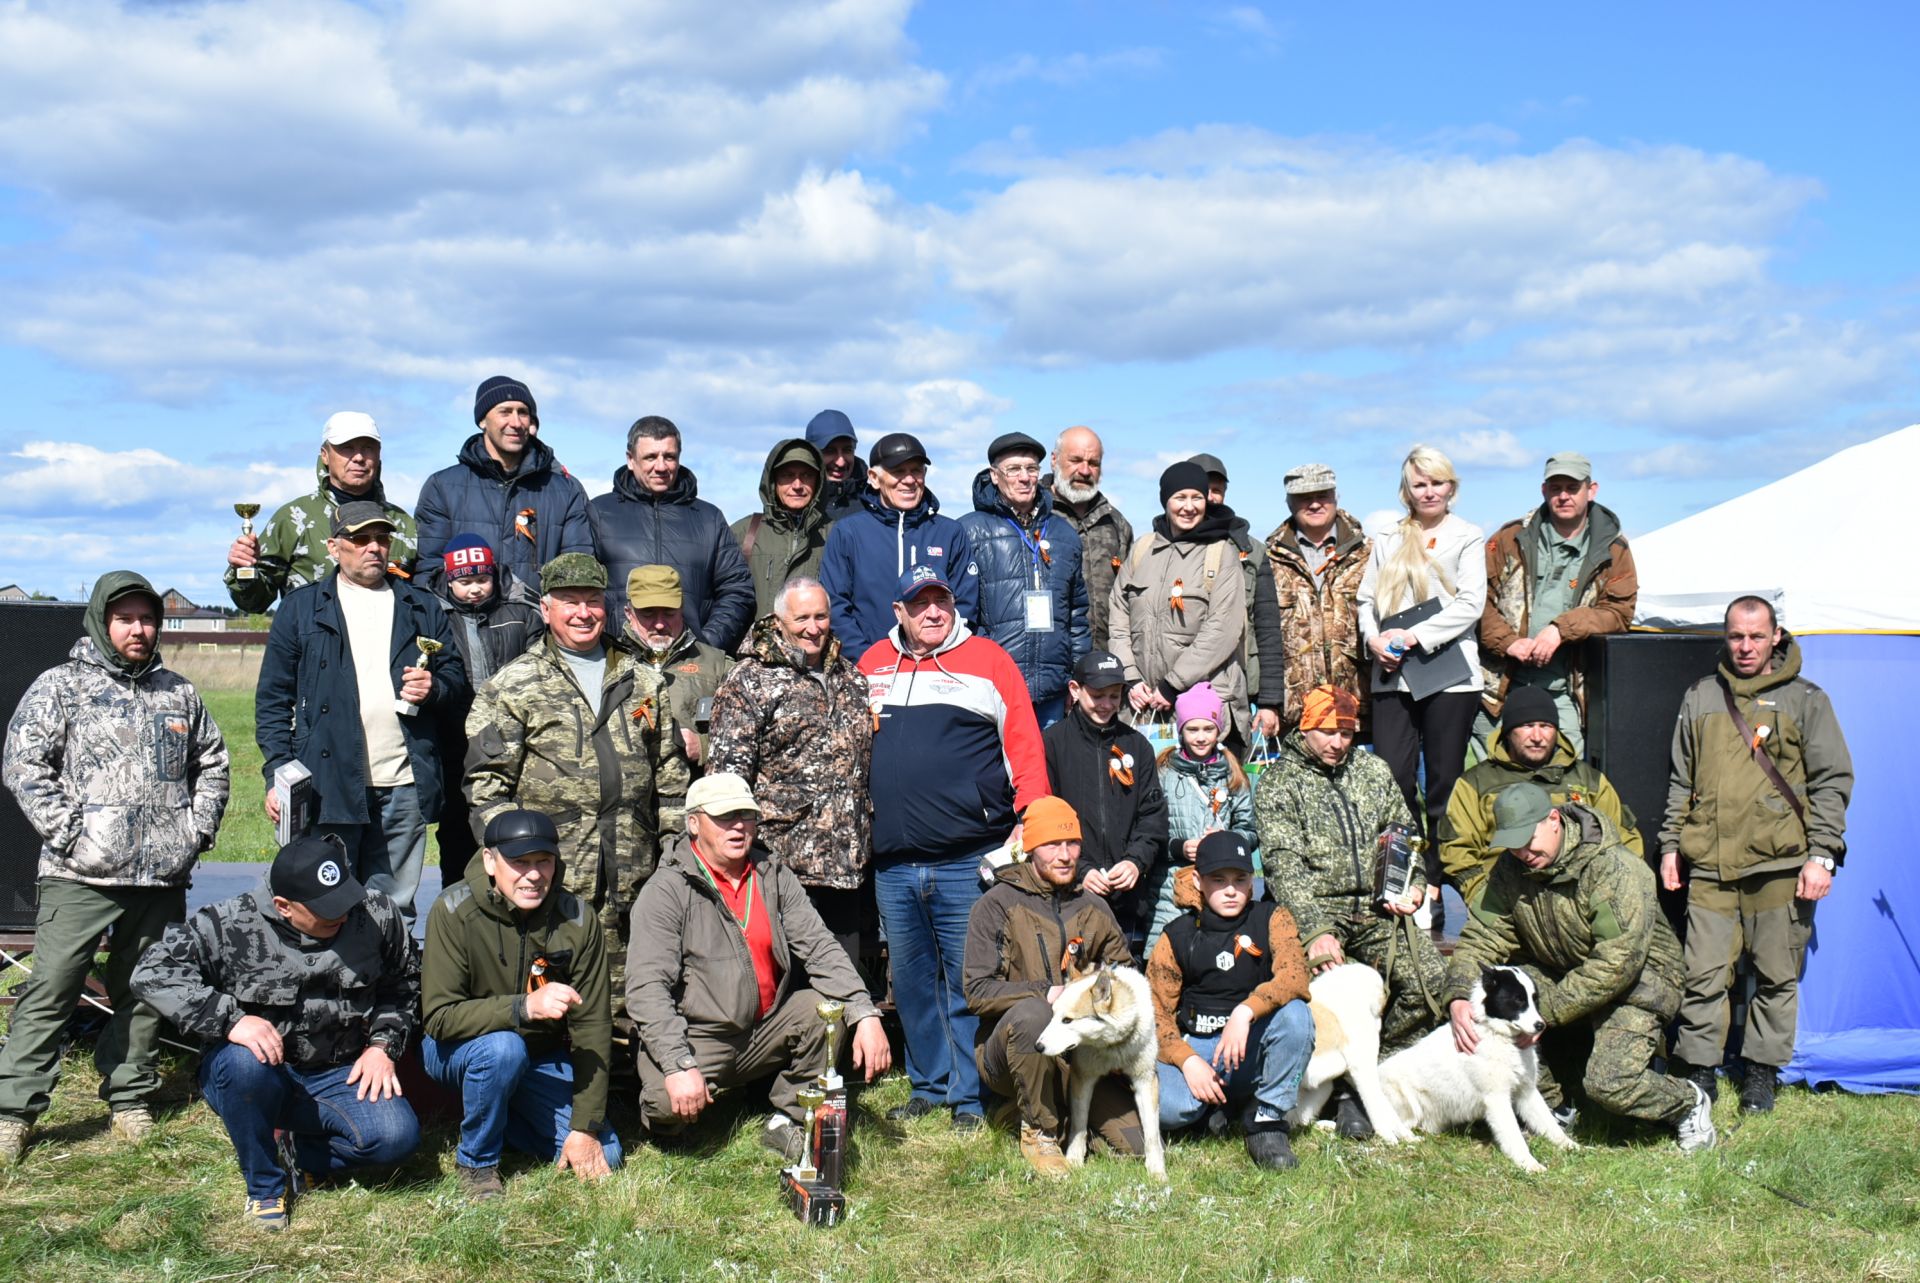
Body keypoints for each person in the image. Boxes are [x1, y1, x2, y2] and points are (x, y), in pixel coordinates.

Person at [0, 573, 229, 1166]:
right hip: (80, 876)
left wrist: (193, 832)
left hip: (159, 879)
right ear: (103, 622)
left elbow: (214, 764)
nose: (139, 629)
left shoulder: (178, 693)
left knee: (145, 990)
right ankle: (14, 1112)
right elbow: (24, 765)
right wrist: (73, 833)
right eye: (125, 619)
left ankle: (129, 1096)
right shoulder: (60, 687)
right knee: (51, 989)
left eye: (148, 619)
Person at [131, 835, 422, 1230]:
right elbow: (151, 974)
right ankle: (266, 1187)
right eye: (324, 911)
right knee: (244, 1064)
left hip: (340, 1069)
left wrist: (383, 1046)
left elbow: (405, 984)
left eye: (343, 899)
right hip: (260, 1073)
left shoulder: (375, 914)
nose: (341, 914)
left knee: (395, 1138)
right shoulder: (228, 923)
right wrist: (230, 1019)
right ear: (284, 907)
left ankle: (301, 1154)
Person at [862, 564, 1048, 1128]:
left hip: (967, 856)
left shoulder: (989, 660)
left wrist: (1030, 817)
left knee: (970, 981)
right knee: (912, 983)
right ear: (900, 612)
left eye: (941, 601)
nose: (933, 613)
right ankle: (930, 1086)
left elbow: (1023, 742)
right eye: (920, 604)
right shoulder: (870, 664)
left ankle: (971, 1096)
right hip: (893, 861)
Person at [625, 773, 890, 1158]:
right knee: (665, 1104)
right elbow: (647, 988)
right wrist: (677, 1063)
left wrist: (864, 1013)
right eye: (724, 817)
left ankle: (789, 1116)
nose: (738, 826)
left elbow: (819, 947)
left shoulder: (772, 874)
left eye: (746, 816)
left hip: (764, 1028)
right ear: (694, 823)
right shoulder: (666, 890)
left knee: (822, 1013)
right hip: (699, 1037)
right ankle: (672, 1124)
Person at [1660, 597, 1853, 1114]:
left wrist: (1822, 856)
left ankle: (1761, 1075)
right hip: (1710, 866)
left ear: (1776, 637)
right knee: (1703, 977)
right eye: (1735, 636)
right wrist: (1670, 846)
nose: (1745, 647)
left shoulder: (1806, 700)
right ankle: (1701, 1072)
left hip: (1780, 865)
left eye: (1755, 637)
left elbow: (1832, 783)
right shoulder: (1701, 697)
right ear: (1725, 637)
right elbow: (1681, 779)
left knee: (1774, 974)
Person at [1447, 783, 1716, 1153]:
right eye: (1513, 843)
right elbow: (1482, 936)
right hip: (1565, 971)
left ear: (1554, 820)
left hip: (1640, 982)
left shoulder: (1615, 870)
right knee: (1481, 1006)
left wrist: (1545, 1015)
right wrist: (1460, 995)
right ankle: (1553, 1107)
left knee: (1611, 1084)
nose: (1523, 852)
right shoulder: (1511, 870)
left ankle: (1689, 1102)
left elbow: (1616, 963)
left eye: (1529, 839)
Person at [463, 552, 683, 1002]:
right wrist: (517, 865)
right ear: (546, 609)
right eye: (569, 601)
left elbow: (672, 780)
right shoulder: (512, 686)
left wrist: (674, 860)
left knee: (636, 1001)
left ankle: (631, 1074)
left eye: (593, 600)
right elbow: (485, 786)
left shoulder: (645, 683)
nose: (584, 613)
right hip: (552, 883)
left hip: (634, 879)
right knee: (554, 1003)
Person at [256, 501, 465, 922]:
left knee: (394, 909)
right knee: (323, 907)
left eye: (382, 539)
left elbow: (456, 679)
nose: (374, 548)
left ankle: (387, 986)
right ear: (334, 547)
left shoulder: (422, 606)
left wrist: (435, 688)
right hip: (327, 787)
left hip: (405, 783)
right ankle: (332, 988)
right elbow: (272, 700)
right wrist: (277, 772)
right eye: (360, 538)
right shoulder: (300, 608)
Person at [1256, 685, 1447, 1130]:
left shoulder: (1372, 770)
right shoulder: (1280, 782)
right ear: (1305, 728)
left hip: (1379, 910)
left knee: (1431, 983)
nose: (1337, 743)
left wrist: (1413, 886)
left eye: (1345, 732)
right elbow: (1283, 865)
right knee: (1318, 995)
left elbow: (1403, 833)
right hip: (1318, 911)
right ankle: (1323, 1086)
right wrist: (1313, 931)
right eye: (1326, 732)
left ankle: (1366, 1083)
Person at [420, 810, 621, 1201]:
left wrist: (586, 1127)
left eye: (542, 861)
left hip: (538, 1057)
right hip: (455, 1048)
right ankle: (476, 1165)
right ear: (489, 862)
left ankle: (505, 1117)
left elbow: (593, 1025)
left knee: (606, 1155)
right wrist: (523, 1008)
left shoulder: (577, 919)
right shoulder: (453, 911)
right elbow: (440, 1018)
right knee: (502, 1050)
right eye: (519, 863)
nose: (533, 875)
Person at [963, 796, 1144, 1177]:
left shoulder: (1093, 906)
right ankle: (1039, 1129)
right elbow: (977, 990)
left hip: (1082, 1053)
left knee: (1134, 1145)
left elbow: (1127, 977)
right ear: (1030, 848)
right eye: (1052, 845)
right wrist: (1047, 991)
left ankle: (1057, 1112)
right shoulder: (996, 905)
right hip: (1015, 1048)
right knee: (1034, 1014)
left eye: (1072, 843)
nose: (1065, 855)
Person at [707, 577, 874, 976]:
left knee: (840, 994)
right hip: (780, 871)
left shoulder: (851, 679)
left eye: (821, 616)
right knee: (784, 996)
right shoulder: (749, 680)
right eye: (802, 618)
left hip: (845, 872)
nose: (813, 628)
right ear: (779, 620)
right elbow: (727, 781)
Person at [1357, 445, 1486, 918]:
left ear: (1451, 487)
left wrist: (1412, 635)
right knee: (1394, 778)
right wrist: (1373, 639)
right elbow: (1365, 599)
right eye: (1419, 483)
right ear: (1406, 489)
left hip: (1448, 673)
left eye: (1437, 482)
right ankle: (1402, 875)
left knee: (1444, 785)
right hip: (1392, 673)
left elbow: (1471, 603)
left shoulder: (1467, 536)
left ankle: (1436, 880)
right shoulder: (1387, 536)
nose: (1428, 491)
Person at [1147, 831, 1314, 1170]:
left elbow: (1295, 976)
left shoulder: (1272, 918)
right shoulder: (1177, 935)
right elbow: (1155, 1012)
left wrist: (1245, 1011)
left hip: (1250, 1043)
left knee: (1297, 1017)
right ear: (1198, 880)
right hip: (1201, 1046)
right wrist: (1187, 1060)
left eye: (1240, 879)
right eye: (1218, 879)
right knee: (1167, 1108)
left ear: (1251, 882)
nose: (1230, 889)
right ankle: (1220, 1107)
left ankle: (1267, 1119)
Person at [1478, 452, 1639, 754]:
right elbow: (1478, 601)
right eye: (1555, 488)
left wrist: (1561, 629)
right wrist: (1508, 642)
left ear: (1592, 490)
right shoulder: (1510, 537)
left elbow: (1619, 613)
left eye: (1572, 488)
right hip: (1502, 688)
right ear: (1544, 491)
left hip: (1565, 691)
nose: (1563, 496)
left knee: (1567, 778)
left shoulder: (1614, 549)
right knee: (1492, 779)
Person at [1439, 685, 1640, 908]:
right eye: (1527, 726)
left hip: (1579, 903)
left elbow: (1625, 842)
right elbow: (1457, 849)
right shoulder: (1476, 783)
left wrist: (1614, 895)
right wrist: (1483, 900)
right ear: (1507, 731)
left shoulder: (1588, 781)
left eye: (1545, 726)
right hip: (1504, 901)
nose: (1537, 736)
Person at [1109, 461, 1253, 750]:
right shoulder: (1142, 550)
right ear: (1166, 501)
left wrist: (1171, 685)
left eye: (1196, 498)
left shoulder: (1221, 553)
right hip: (1144, 710)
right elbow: (1119, 614)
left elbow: (1222, 630)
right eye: (1180, 498)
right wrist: (1130, 678)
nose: (1189, 507)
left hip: (1204, 712)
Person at [431, 532, 544, 886]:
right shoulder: (432, 612)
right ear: (449, 580)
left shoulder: (523, 609)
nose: (476, 589)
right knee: (456, 829)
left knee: (513, 823)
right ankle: (457, 895)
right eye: (465, 582)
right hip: (453, 741)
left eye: (483, 579)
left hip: (512, 736)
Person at [588, 415, 756, 650]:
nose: (661, 467)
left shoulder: (709, 518)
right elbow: (583, 591)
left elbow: (737, 591)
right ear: (630, 459)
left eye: (669, 457)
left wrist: (707, 644)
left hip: (690, 664)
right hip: (618, 658)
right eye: (650, 457)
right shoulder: (599, 513)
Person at [415, 374, 594, 593]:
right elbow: (430, 571)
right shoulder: (442, 487)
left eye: (523, 413)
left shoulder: (564, 491)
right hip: (467, 622)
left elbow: (578, 570)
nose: (516, 422)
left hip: (539, 622)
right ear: (482, 420)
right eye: (505, 412)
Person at [225, 411, 418, 612]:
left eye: (368, 448)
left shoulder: (404, 524)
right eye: (347, 448)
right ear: (325, 455)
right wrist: (243, 568)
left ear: (379, 454)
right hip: (312, 640)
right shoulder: (293, 518)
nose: (359, 457)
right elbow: (254, 603)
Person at [960, 431, 1090, 727]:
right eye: (1014, 469)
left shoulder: (1064, 535)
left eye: (1031, 469)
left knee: (1047, 771)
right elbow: (962, 616)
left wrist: (1077, 678)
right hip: (993, 688)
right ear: (994, 476)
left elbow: (1077, 615)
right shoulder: (969, 532)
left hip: (1053, 693)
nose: (1024, 478)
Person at [1041, 649, 1169, 936]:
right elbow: (1044, 818)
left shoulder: (1136, 745)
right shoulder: (1053, 744)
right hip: (1068, 897)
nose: (1107, 704)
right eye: (1098, 695)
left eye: (1114, 696)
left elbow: (1152, 816)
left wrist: (1136, 861)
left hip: (1126, 898)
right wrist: (1080, 869)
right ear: (1075, 690)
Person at [820, 431, 980, 659]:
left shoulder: (949, 532)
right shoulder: (848, 532)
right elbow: (834, 605)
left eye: (916, 470)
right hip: (866, 670)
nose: (909, 480)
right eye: (898, 471)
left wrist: (940, 656)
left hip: (938, 667)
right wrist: (868, 660)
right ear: (874, 477)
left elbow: (965, 605)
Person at [1145, 681, 1257, 956]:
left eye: (1209, 729)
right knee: (1167, 955)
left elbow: (1250, 830)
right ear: (1180, 730)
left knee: (1215, 956)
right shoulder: (1162, 771)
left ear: (1219, 730)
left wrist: (1226, 843)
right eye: (1192, 729)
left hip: (1219, 880)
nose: (1201, 737)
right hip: (1169, 883)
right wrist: (1178, 847)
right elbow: (1147, 828)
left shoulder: (1232, 772)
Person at [623, 565, 737, 833]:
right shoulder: (607, 662)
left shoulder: (718, 666)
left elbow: (752, 737)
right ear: (629, 613)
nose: (660, 623)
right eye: (648, 613)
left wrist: (705, 747)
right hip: (627, 819)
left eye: (669, 613)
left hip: (694, 813)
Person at [1263, 463, 1372, 734]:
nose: (1314, 504)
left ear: (1336, 496)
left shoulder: (1370, 553)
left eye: (1322, 495)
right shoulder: (1268, 558)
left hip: (1359, 708)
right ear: (1289, 502)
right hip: (1296, 713)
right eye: (1304, 497)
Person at [1188, 453, 1287, 742]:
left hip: (1242, 693)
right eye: (1203, 489)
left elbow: (1267, 628)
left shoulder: (1253, 552)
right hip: (1183, 692)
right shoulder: (1162, 549)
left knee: (1236, 780)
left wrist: (1269, 702)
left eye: (1217, 490)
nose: (1211, 498)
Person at [1046, 425, 1133, 653]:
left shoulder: (1116, 525)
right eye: (1075, 460)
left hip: (1104, 666)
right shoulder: (1034, 516)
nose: (1085, 471)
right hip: (1050, 661)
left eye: (1093, 463)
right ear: (1054, 460)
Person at [731, 436, 834, 619]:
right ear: (773, 481)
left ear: (818, 482)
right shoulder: (743, 533)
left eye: (806, 475)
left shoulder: (835, 534)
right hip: (754, 647)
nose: (797, 485)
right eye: (787, 475)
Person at [807, 408, 868, 520]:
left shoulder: (874, 505)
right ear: (811, 454)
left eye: (847, 450)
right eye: (830, 451)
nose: (840, 463)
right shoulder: (795, 504)